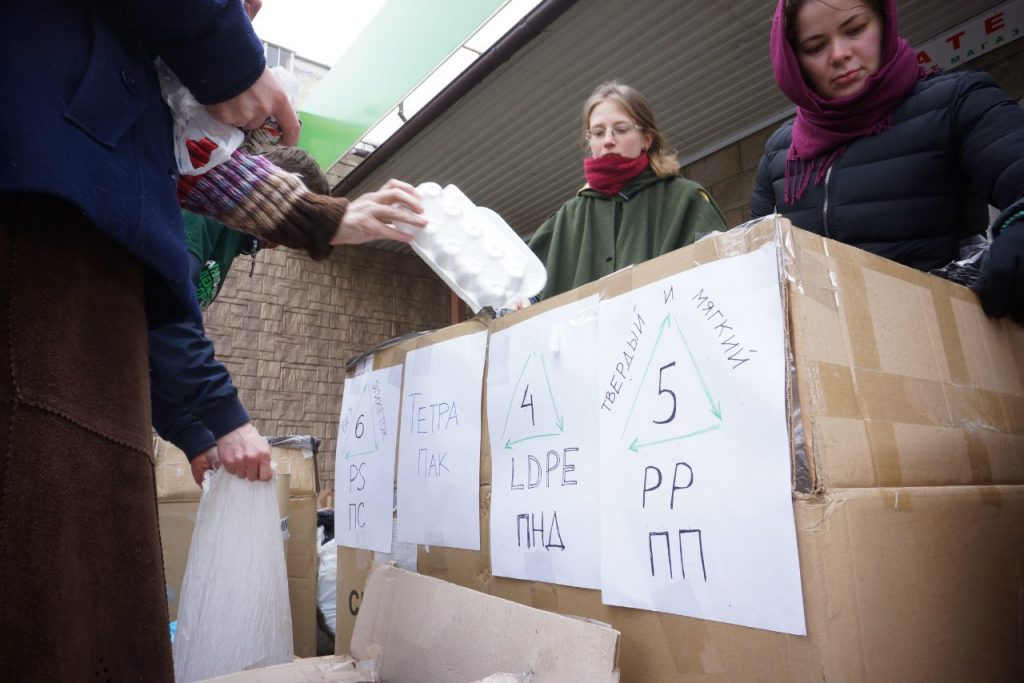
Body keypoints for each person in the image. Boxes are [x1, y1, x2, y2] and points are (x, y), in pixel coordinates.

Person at [0, 2, 425, 679]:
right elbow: (169, 286)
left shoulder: (136, 95)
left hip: (83, 277)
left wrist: (328, 218)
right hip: (44, 239)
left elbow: (180, 164)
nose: (249, 12)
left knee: (82, 584)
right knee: (51, 580)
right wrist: (226, 53)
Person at [751, 0, 1024, 320]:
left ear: (883, 23)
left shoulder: (957, 102)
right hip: (828, 357)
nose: (839, 53)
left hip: (940, 343)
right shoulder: (780, 154)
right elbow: (754, 259)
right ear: (794, 60)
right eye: (815, 46)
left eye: (855, 29)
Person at [151, 147, 331, 488]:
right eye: (289, 229)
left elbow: (153, 350)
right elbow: (162, 311)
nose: (280, 245)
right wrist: (228, 423)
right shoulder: (203, 212)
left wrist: (196, 438)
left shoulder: (234, 240)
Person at [528, 81, 728, 300]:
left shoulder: (686, 200)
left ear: (646, 139)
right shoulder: (565, 219)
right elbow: (525, 293)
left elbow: (721, 280)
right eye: (598, 132)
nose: (608, 141)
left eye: (621, 130)